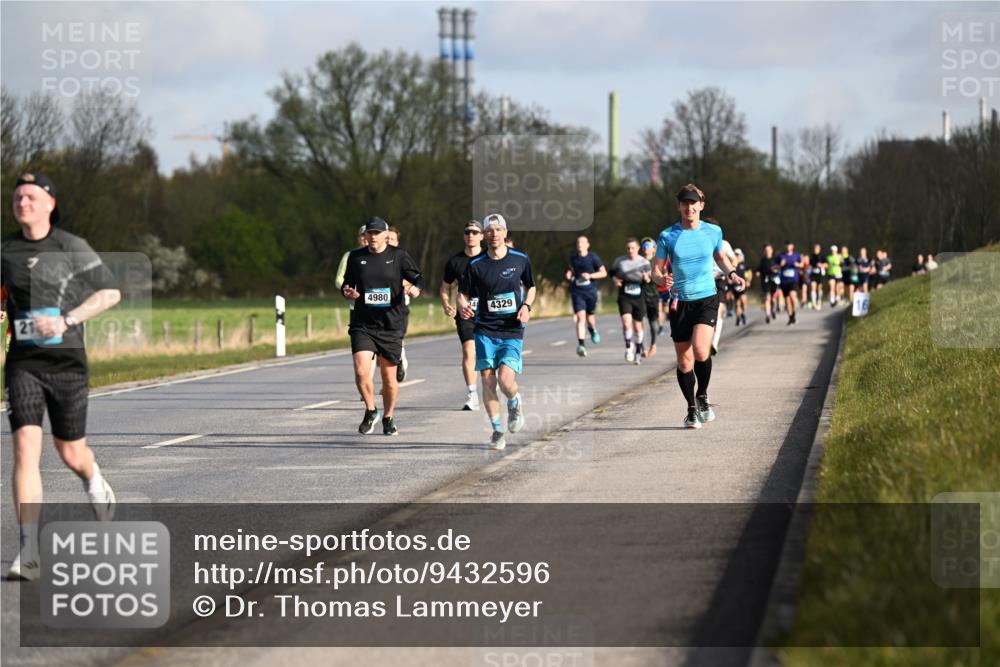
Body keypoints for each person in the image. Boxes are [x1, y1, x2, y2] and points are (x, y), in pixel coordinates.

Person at [2, 173, 121, 581]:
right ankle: (29, 550)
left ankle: (94, 481)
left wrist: (68, 319)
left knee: (70, 452)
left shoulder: (71, 246)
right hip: (23, 363)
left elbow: (110, 293)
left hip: (67, 364)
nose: (23, 203)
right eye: (18, 197)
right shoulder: (6, 250)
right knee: (25, 450)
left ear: (50, 204)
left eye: (31, 197)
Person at [654, 184, 746, 429]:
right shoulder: (667, 235)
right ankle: (691, 409)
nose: (689, 207)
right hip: (679, 302)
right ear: (679, 206)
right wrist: (660, 279)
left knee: (701, 350)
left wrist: (733, 273)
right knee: (684, 363)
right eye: (684, 203)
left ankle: (702, 395)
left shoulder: (713, 231)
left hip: (706, 297)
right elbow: (655, 269)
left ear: (701, 206)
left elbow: (720, 257)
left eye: (693, 203)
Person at [458, 214, 535, 451]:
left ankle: (514, 400)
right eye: (489, 230)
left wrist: (526, 306)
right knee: (488, 380)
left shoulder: (520, 259)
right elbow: (463, 294)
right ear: (484, 235)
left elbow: (531, 286)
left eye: (498, 229)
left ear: (505, 232)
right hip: (485, 330)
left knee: (505, 380)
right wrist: (461, 305)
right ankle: (497, 430)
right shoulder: (475, 265)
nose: (494, 234)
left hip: (511, 329)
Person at [341, 217, 423, 436]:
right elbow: (347, 284)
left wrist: (415, 289)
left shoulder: (399, 256)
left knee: (388, 378)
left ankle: (388, 416)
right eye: (370, 233)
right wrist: (348, 292)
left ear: (386, 235)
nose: (373, 237)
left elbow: (417, 278)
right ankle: (370, 410)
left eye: (377, 233)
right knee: (361, 369)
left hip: (390, 324)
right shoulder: (356, 258)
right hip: (363, 323)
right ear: (365, 236)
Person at [440, 220, 484, 410]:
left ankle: (494, 380)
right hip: (465, 311)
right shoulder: (455, 261)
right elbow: (444, 288)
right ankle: (472, 394)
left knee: (488, 353)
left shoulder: (489, 258)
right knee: (469, 351)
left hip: (489, 312)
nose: (471, 235)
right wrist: (446, 304)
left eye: (475, 232)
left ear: (482, 235)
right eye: (467, 232)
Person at [611, 237, 652, 364]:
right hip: (624, 295)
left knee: (637, 326)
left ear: (638, 248)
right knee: (626, 322)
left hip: (639, 296)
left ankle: (638, 351)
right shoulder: (619, 261)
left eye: (633, 248)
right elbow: (612, 274)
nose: (630, 250)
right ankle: (629, 348)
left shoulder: (644, 262)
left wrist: (646, 278)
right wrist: (615, 280)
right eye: (628, 248)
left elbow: (650, 279)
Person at [565, 235, 606, 357]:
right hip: (577, 292)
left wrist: (590, 276)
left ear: (588, 244)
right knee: (580, 318)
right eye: (578, 242)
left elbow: (604, 273)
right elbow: (569, 271)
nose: (580, 244)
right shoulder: (573, 258)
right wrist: (568, 275)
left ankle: (592, 330)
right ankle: (581, 345)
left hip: (591, 291)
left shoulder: (593, 257)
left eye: (582, 242)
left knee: (590, 319)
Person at [706, 219, 736, 355]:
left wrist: (731, 271)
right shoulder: (700, 243)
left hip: (719, 280)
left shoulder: (724, 244)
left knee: (719, 311)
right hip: (703, 281)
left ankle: (714, 343)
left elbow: (734, 259)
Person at [386, 226, 410, 383]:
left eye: (392, 239)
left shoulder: (402, 258)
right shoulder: (373, 257)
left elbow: (413, 279)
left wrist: (400, 283)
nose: (388, 242)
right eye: (386, 238)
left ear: (397, 242)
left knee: (395, 338)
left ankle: (399, 358)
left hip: (398, 308)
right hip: (376, 308)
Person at [639, 237, 661, 357]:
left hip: (653, 295)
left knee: (652, 322)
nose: (646, 249)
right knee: (640, 321)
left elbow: (660, 278)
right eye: (644, 246)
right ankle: (643, 347)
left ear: (654, 249)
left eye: (648, 246)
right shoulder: (638, 261)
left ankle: (653, 344)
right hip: (640, 295)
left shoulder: (657, 262)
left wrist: (650, 279)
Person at [777, 241, 803, 325]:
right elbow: (774, 266)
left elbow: (802, 264)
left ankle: (794, 312)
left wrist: (798, 265)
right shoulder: (781, 256)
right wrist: (780, 265)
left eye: (790, 245)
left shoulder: (796, 255)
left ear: (792, 246)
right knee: (787, 300)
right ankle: (791, 317)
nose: (788, 247)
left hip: (793, 280)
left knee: (792, 295)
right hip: (784, 281)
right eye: (787, 245)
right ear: (785, 246)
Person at [756, 243, 779, 324]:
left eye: (769, 250)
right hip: (765, 282)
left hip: (774, 281)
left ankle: (773, 310)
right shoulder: (763, 260)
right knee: (767, 298)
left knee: (773, 299)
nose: (767, 251)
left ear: (772, 250)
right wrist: (758, 272)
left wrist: (775, 269)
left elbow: (779, 268)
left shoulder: (775, 259)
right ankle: (767, 315)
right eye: (766, 250)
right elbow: (759, 268)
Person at [731, 248, 751, 326]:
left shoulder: (744, 264)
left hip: (743, 285)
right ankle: (738, 317)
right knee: (737, 303)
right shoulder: (732, 264)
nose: (736, 256)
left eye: (738, 255)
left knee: (743, 300)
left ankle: (743, 314)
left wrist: (748, 280)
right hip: (734, 286)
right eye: (735, 254)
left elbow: (749, 273)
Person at [808, 243, 826, 309]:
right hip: (813, 274)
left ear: (819, 249)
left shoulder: (822, 256)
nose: (816, 250)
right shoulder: (811, 256)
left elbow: (826, 265)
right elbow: (809, 264)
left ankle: (819, 300)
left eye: (817, 248)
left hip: (820, 274)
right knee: (813, 286)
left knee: (819, 287)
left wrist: (821, 265)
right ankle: (813, 302)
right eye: (815, 248)